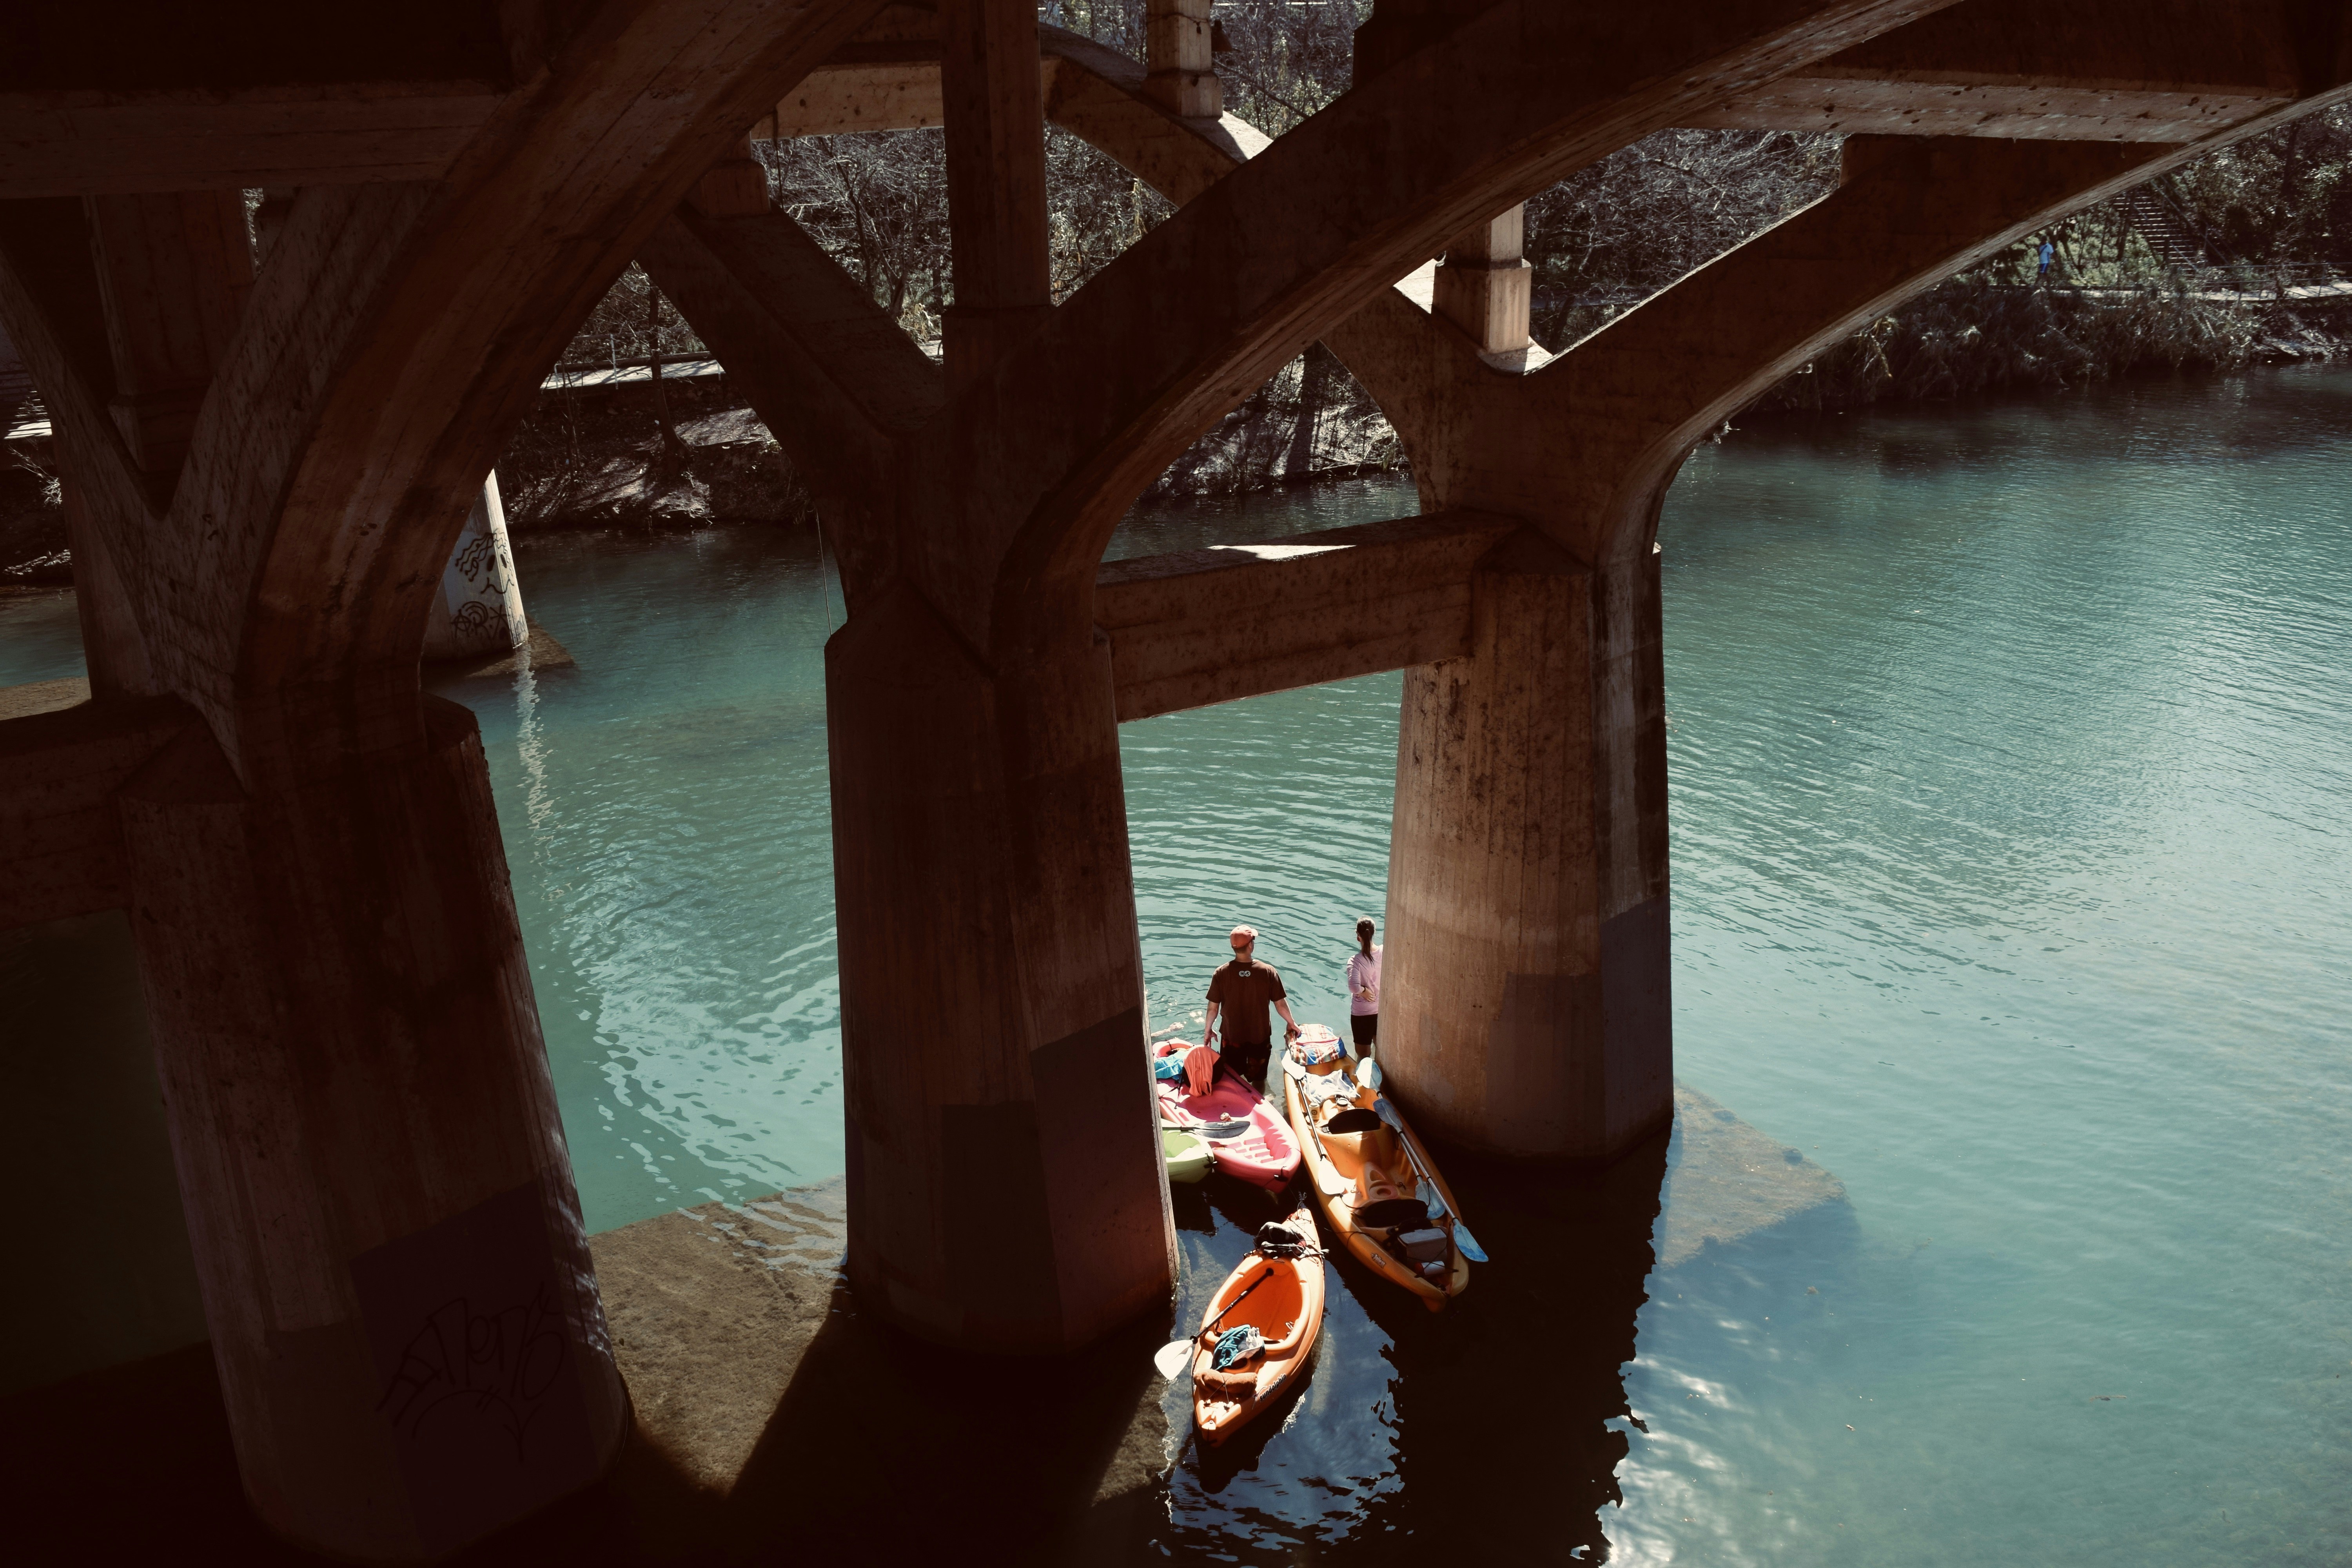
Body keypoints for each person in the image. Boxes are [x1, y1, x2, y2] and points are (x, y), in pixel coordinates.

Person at [1203, 925, 1299, 1086]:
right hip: (1259, 1037)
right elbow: (1280, 1004)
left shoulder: (1221, 972)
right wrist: (1291, 1023)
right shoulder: (1267, 971)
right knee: (1259, 1079)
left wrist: (1208, 1030)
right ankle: (1260, 1103)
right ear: (1250, 945)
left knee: (1231, 1078)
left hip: (1232, 1037)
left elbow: (1213, 1008)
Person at [1345, 917, 1381, 1054]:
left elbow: (1354, 987)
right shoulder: (1385, 952)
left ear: (1358, 937)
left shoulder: (1355, 961)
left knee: (1363, 1055)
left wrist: (1364, 991)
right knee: (1380, 1049)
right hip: (1380, 1010)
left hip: (1362, 1014)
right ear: (1373, 933)